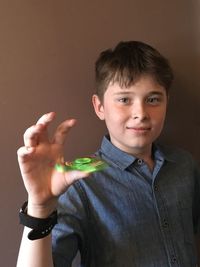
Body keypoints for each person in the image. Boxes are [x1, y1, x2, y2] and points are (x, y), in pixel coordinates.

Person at [17, 41, 200, 267]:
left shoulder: (184, 165)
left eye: (153, 99)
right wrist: (39, 208)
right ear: (99, 106)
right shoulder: (79, 183)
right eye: (124, 99)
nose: (140, 113)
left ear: (167, 102)